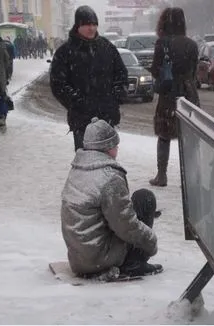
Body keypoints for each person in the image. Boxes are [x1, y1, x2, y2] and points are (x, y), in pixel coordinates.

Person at [61, 117, 163, 278]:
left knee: (129, 203)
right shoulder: (110, 177)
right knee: (144, 198)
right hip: (99, 258)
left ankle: (113, 259)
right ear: (107, 147)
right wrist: (150, 241)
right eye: (116, 145)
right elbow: (125, 225)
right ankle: (135, 264)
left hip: (79, 256)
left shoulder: (79, 169)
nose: (117, 149)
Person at [50, 5, 128, 151]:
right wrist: (76, 101)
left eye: (94, 24)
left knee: (108, 161)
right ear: (78, 25)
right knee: (86, 163)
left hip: (107, 117)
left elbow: (121, 74)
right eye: (86, 24)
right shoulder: (65, 52)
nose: (91, 28)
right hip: (82, 120)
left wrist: (117, 96)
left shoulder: (107, 48)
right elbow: (58, 84)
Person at [149, 7, 200, 187]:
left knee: (164, 135)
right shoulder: (192, 45)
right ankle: (189, 178)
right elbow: (194, 73)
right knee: (188, 137)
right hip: (189, 94)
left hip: (169, 93)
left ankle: (161, 175)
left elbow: (156, 70)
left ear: (165, 22)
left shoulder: (162, 43)